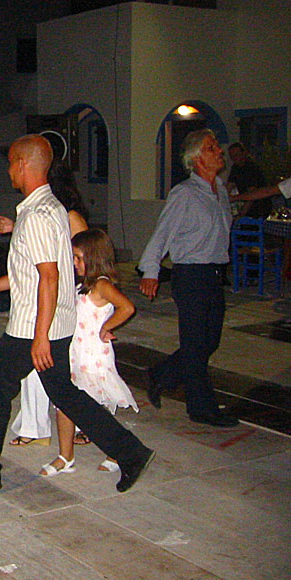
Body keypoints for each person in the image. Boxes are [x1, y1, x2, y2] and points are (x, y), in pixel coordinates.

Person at [0, 134, 154, 494]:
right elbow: (34, 272)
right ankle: (130, 452)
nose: (9, 170)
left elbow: (50, 277)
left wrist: (39, 336)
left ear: (23, 164)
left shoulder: (37, 215)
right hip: (54, 322)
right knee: (66, 395)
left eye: (10, 162)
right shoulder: (51, 208)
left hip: (33, 327)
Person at [139, 128, 238, 427]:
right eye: (211, 148)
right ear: (196, 159)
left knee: (209, 341)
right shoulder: (184, 194)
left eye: (216, 147)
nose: (219, 151)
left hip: (214, 273)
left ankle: (161, 375)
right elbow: (163, 233)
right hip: (191, 274)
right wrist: (151, 270)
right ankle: (201, 408)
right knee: (195, 345)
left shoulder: (219, 189)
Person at [0, 161, 89, 448]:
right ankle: (37, 428)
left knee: (64, 376)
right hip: (43, 302)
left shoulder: (61, 214)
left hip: (56, 302)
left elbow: (59, 270)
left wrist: (41, 334)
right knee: (42, 377)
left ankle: (92, 432)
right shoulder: (40, 212)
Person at [40, 228, 138, 476]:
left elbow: (126, 307)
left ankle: (115, 450)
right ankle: (65, 455)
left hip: (93, 355)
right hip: (76, 353)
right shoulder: (85, 284)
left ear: (94, 257)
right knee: (65, 403)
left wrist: (107, 326)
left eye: (78, 258)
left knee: (95, 407)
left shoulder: (102, 285)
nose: (75, 263)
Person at [226, 143, 268, 218]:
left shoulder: (251, 168)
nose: (234, 158)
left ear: (244, 153)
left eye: (237, 155)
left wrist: (242, 214)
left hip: (259, 209)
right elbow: (228, 187)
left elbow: (252, 194)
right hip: (247, 207)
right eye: (232, 156)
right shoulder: (235, 168)